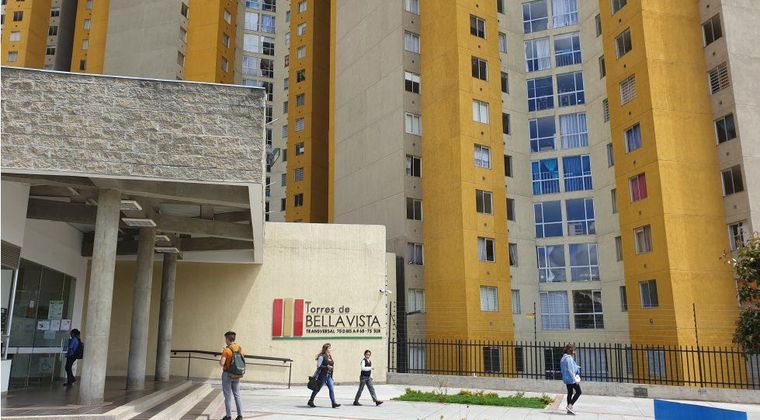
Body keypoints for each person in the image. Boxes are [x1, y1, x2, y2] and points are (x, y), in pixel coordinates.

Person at [219, 331, 243, 420]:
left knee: (228, 396)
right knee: (237, 395)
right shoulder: (240, 348)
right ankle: (240, 416)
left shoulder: (226, 350)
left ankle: (228, 416)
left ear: (228, 339)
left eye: (225, 339)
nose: (225, 341)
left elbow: (222, 363)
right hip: (237, 374)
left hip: (227, 374)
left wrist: (221, 358)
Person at [307, 343, 340, 408]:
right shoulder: (322, 356)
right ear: (326, 349)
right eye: (329, 348)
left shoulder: (330, 356)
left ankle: (333, 403)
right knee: (317, 389)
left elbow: (331, 365)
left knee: (331, 389)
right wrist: (326, 366)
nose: (331, 349)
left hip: (329, 376)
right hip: (322, 376)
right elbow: (318, 366)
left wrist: (331, 374)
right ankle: (311, 401)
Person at [560, 343, 581, 415]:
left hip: (566, 379)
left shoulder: (563, 358)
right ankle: (570, 406)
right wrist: (575, 379)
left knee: (570, 393)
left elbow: (567, 367)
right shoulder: (569, 358)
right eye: (574, 350)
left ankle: (569, 410)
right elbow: (570, 370)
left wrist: (576, 366)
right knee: (579, 392)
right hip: (571, 379)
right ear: (571, 350)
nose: (574, 352)